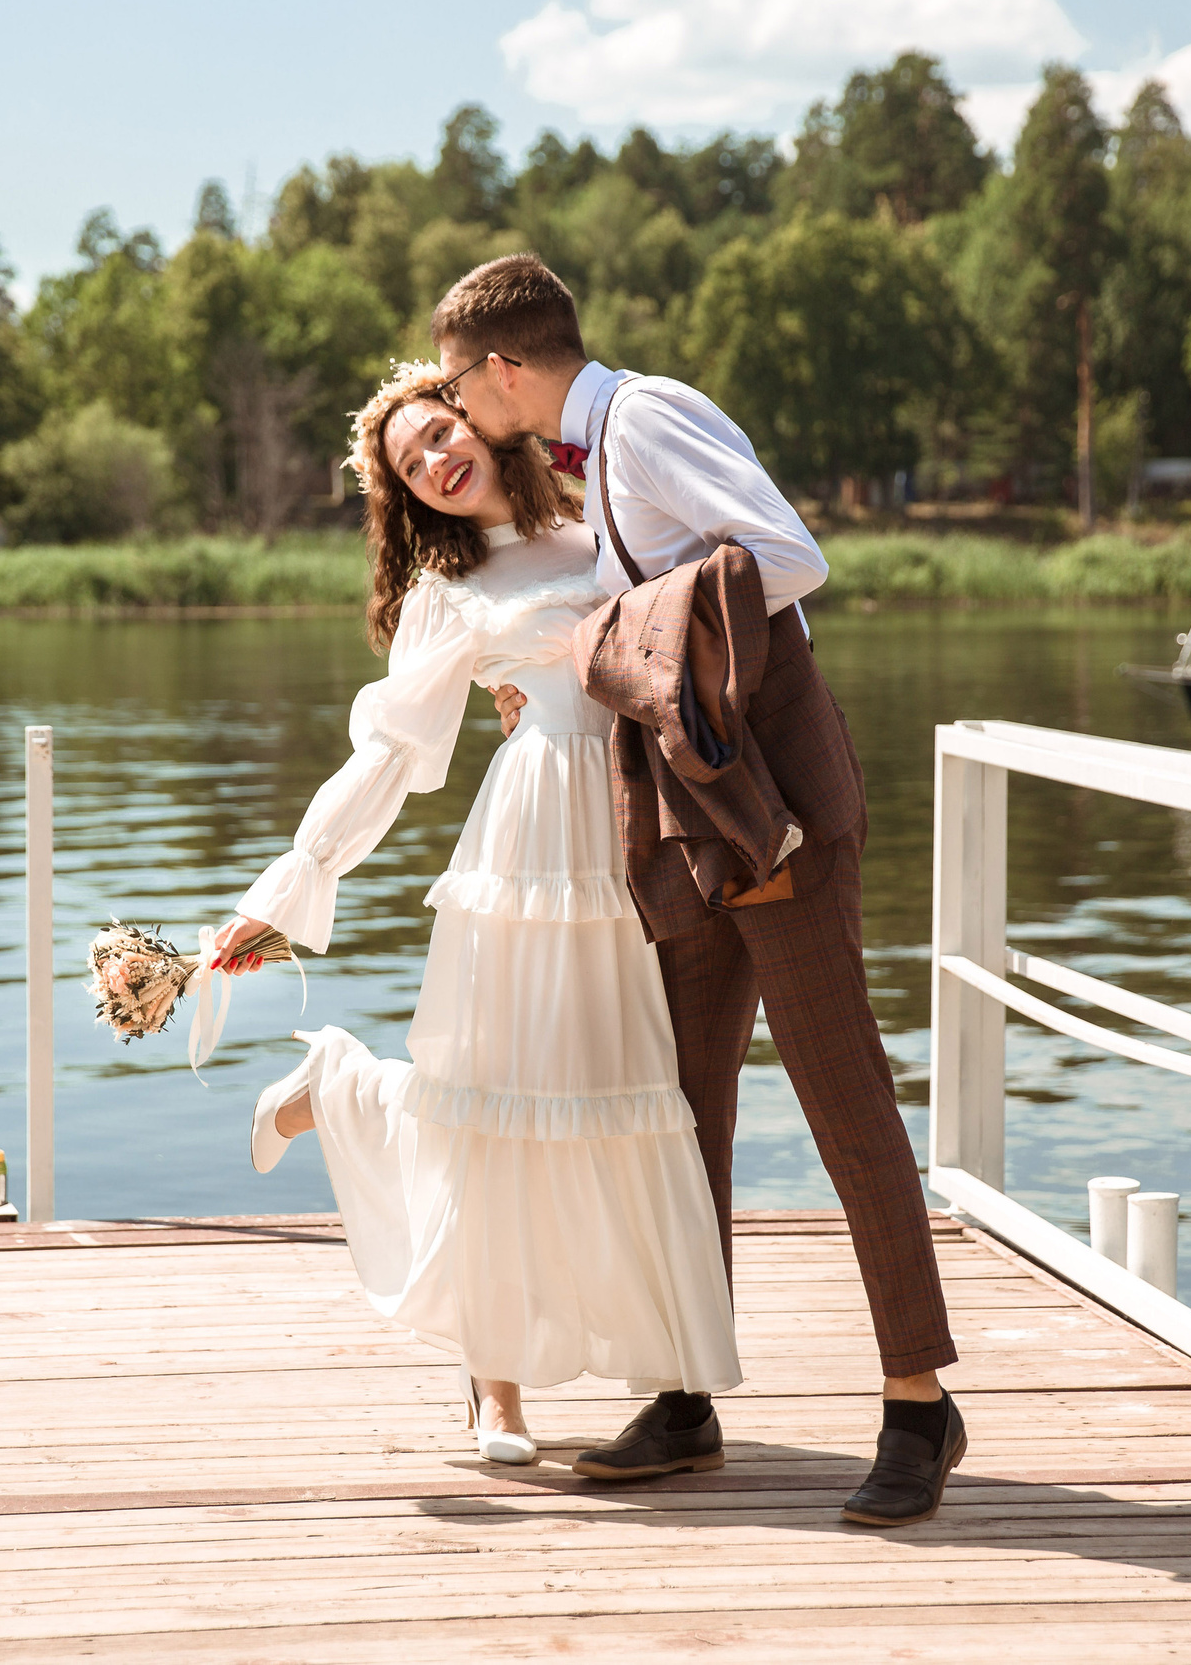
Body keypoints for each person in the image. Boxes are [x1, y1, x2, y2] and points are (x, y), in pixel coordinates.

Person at [431, 255, 966, 1528]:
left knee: (845, 1108)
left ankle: (916, 1405)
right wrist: (556, 667)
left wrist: (605, 639)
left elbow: (789, 561)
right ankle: (682, 1396)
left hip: (772, 813)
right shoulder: (590, 449)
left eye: (458, 378)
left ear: (508, 369)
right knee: (679, 1119)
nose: (457, 405)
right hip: (687, 822)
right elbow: (642, 609)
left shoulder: (649, 415)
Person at [209, 363, 742, 1473]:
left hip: (629, 834)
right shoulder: (448, 596)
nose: (437, 461)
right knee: (487, 1104)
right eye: (412, 465)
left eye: (441, 432)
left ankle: (675, 1396)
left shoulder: (602, 526)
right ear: (407, 496)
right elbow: (390, 757)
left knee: (616, 1100)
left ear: (482, 419)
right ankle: (493, 1396)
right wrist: (290, 884)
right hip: (526, 841)